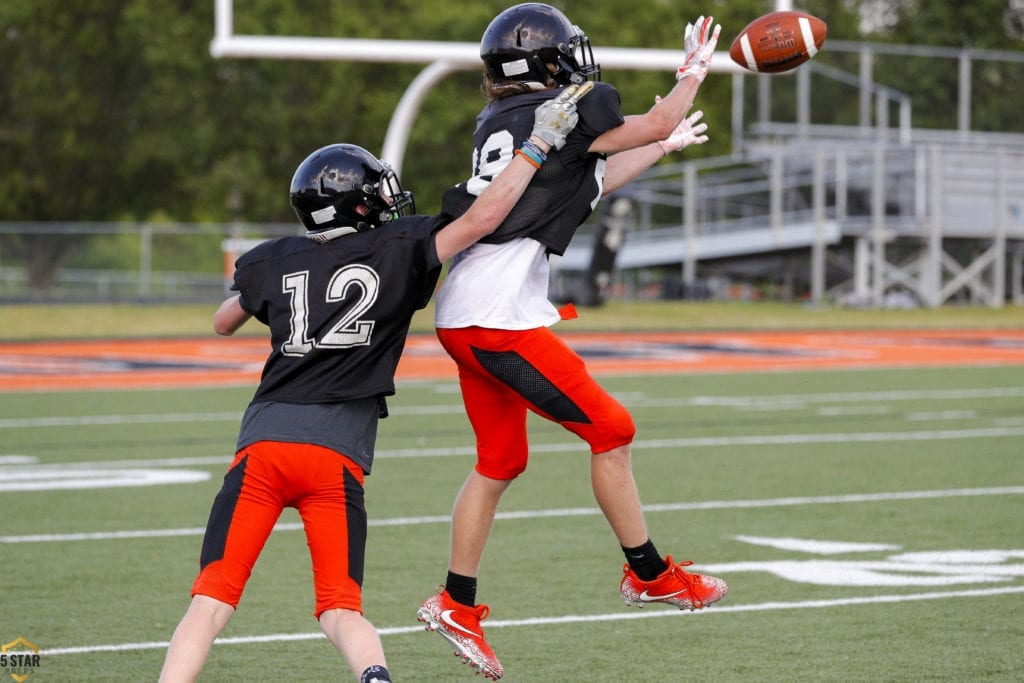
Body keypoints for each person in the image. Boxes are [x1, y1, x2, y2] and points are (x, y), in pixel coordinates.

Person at [157, 83, 592, 683]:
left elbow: (223, 320)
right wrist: (539, 142)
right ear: (361, 204)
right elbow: (488, 213)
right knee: (340, 607)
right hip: (335, 460)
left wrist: (275, 291)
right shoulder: (398, 247)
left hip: (262, 451)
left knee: (210, 603)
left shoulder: (274, 257)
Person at [416, 4, 725, 680]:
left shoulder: (503, 122)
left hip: (465, 309)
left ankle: (455, 602)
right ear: (542, 64)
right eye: (565, 51)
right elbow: (658, 117)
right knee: (612, 427)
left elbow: (589, 182)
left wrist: (660, 147)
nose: (577, 61)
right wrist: (694, 73)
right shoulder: (565, 105)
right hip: (496, 317)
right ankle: (648, 573)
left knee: (500, 460)